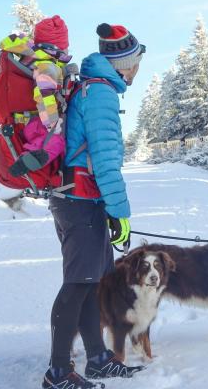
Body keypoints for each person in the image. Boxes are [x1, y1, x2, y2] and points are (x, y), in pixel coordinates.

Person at [42, 23, 146, 389]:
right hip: (81, 200)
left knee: (89, 284)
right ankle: (57, 373)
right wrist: (121, 212)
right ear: (122, 64)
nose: (136, 70)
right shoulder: (100, 94)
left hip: (80, 198)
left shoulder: (92, 88)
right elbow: (104, 160)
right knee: (75, 286)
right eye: (134, 63)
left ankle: (98, 359)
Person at [0, 15, 72, 177]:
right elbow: (44, 96)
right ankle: (29, 161)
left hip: (27, 119)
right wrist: (53, 126)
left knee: (50, 140)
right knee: (55, 141)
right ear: (60, 45)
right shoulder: (47, 65)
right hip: (36, 120)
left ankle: (33, 161)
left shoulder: (34, 59)